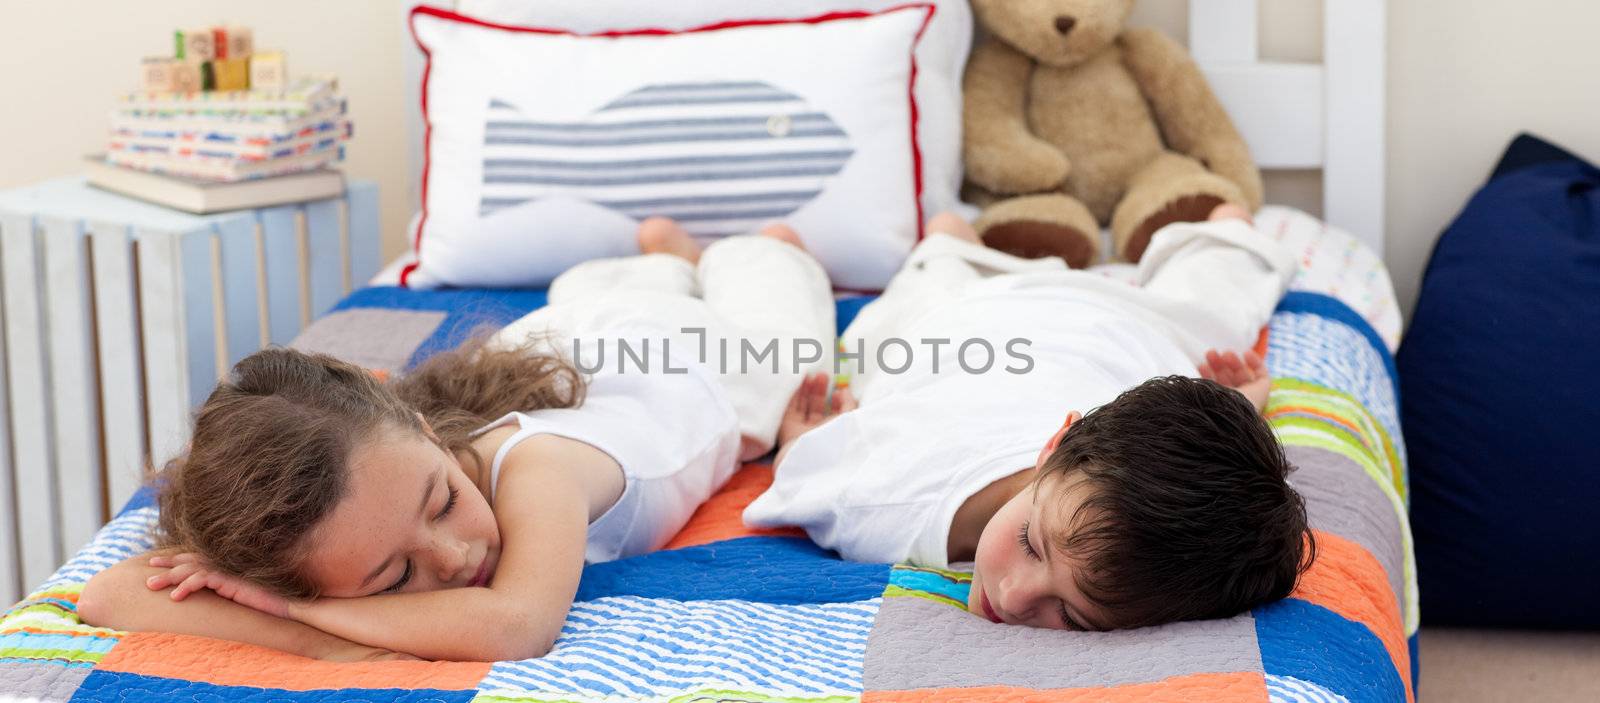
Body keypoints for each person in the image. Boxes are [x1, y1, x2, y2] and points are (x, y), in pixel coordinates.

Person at [77, 218, 835, 662]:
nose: (457, 556)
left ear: (420, 427)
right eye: (393, 576)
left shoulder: (541, 471)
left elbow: (518, 627)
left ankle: (748, 247)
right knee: (601, 295)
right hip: (571, 344)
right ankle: (665, 260)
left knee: (785, 321)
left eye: (443, 500)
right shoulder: (375, 487)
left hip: (691, 366)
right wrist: (274, 590)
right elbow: (106, 593)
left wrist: (300, 615)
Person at [746, 204, 1315, 631]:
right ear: (1055, 444)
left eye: (1071, 616)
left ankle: (953, 242)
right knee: (898, 313)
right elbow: (807, 480)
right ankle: (929, 243)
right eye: (1029, 540)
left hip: (1112, 329)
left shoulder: (1114, 467)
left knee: (1212, 307)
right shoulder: (893, 497)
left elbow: (1208, 483)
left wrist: (1236, 411)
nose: (1015, 596)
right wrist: (797, 444)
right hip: (962, 320)